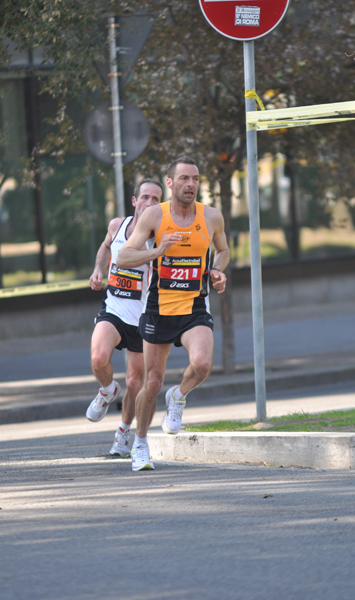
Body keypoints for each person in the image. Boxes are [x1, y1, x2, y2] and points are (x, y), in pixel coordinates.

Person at [117, 156, 230, 471]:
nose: (191, 184)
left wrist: (217, 271)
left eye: (195, 179)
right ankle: (140, 444)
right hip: (159, 307)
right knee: (152, 381)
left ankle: (178, 396)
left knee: (203, 364)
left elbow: (223, 250)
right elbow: (125, 256)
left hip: (194, 304)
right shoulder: (155, 215)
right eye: (184, 179)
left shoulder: (211, 217)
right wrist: (157, 251)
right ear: (170, 183)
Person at [85, 178, 164, 458]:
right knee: (98, 358)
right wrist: (98, 269)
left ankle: (123, 433)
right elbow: (107, 247)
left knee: (134, 383)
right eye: (145, 197)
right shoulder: (117, 225)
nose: (150, 204)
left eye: (156, 199)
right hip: (115, 309)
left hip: (142, 319)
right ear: (134, 201)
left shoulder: (160, 237)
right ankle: (107, 390)